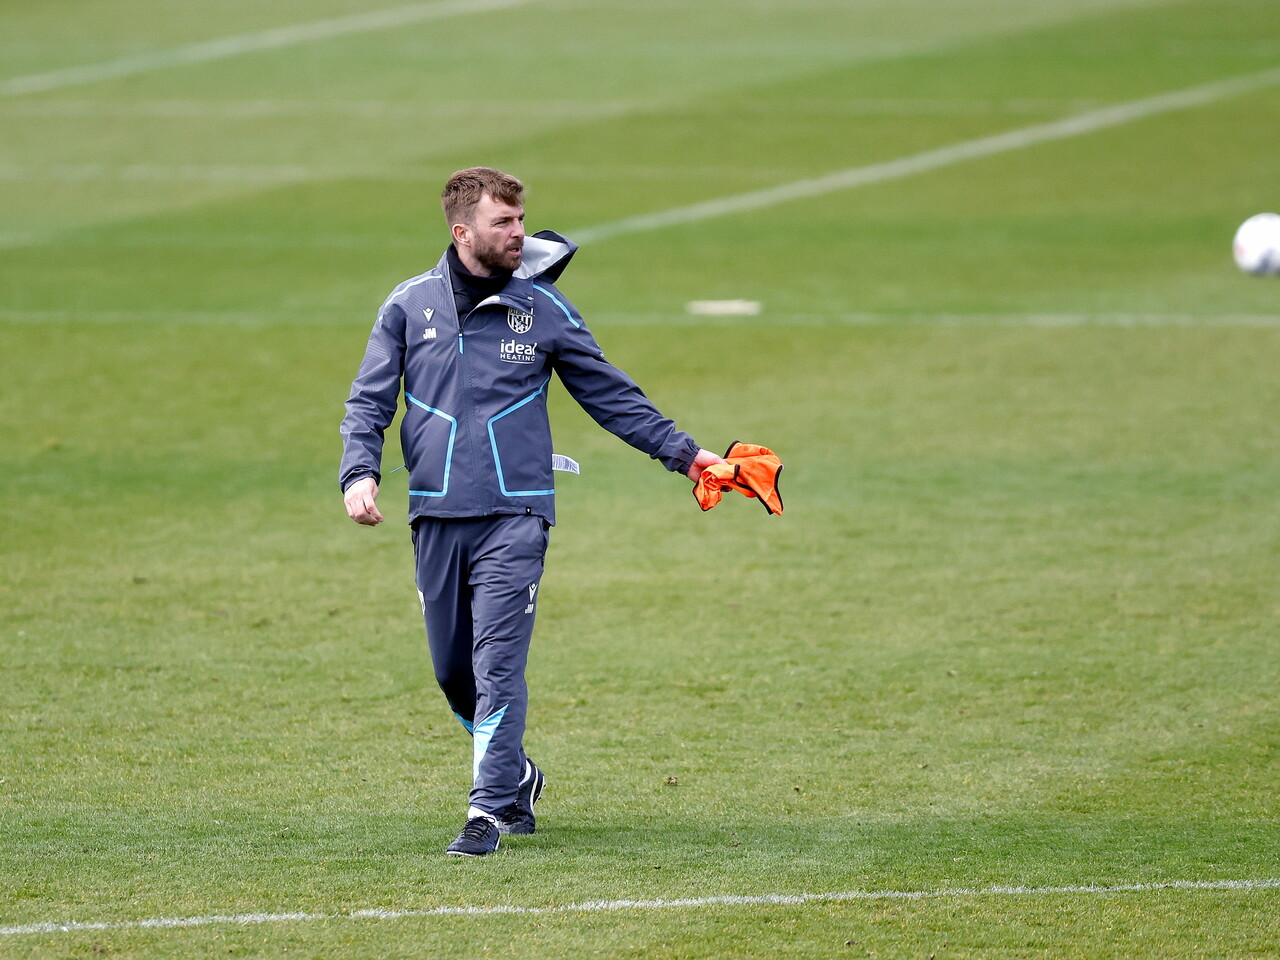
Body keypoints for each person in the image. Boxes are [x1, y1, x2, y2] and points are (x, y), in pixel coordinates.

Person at [340, 167, 724, 857]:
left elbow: (613, 396)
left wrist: (687, 454)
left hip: (516, 513)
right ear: (464, 233)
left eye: (521, 221)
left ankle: (487, 811)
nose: (519, 234)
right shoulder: (407, 305)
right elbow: (368, 400)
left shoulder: (543, 310)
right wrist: (358, 472)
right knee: (452, 672)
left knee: (498, 667)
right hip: (434, 513)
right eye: (503, 223)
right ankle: (517, 774)